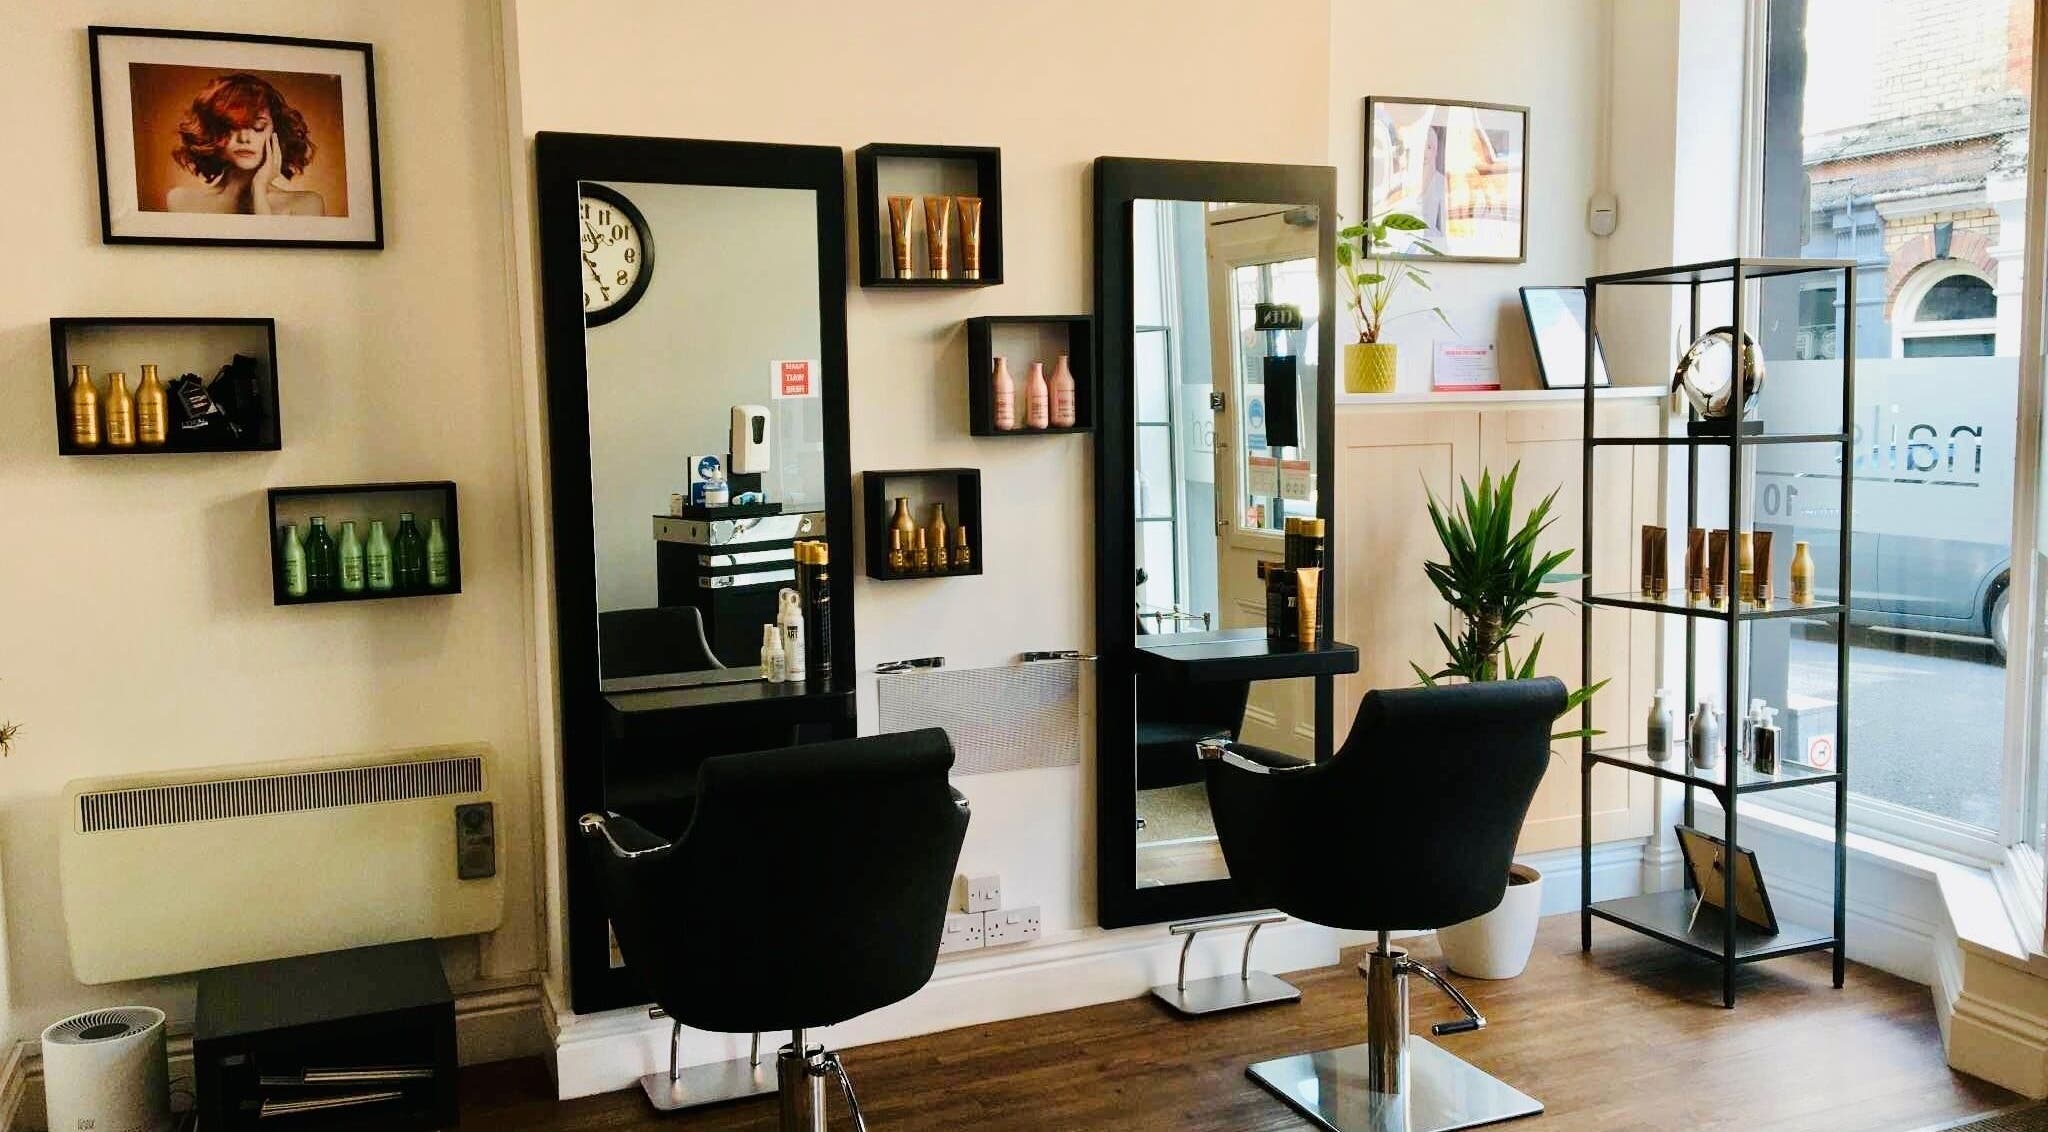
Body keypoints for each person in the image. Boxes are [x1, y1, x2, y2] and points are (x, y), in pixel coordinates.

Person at [164, 72, 325, 216]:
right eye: (232, 126)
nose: (244, 138)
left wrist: (259, 191)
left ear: (276, 132)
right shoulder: (180, 201)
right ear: (212, 132)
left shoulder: (307, 205)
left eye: (258, 127)